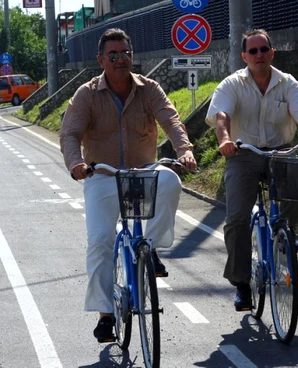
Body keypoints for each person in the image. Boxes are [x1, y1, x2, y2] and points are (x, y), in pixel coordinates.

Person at [60, 28, 198, 343]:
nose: (121, 59)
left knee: (170, 180)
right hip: (102, 176)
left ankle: (150, 247)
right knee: (99, 243)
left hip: (142, 174)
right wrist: (76, 164)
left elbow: (171, 121)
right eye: (113, 55)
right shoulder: (86, 94)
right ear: (101, 60)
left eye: (126, 53)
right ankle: (105, 316)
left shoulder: (149, 89)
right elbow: (70, 133)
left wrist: (184, 150)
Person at [205, 29, 298, 311]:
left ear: (272, 53)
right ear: (244, 56)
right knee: (237, 218)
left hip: (280, 150)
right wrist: (224, 140)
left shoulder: (288, 83)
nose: (259, 55)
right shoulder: (232, 84)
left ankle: (287, 232)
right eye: (253, 51)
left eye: (264, 50)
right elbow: (222, 115)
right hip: (243, 153)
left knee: (297, 180)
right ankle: (241, 284)